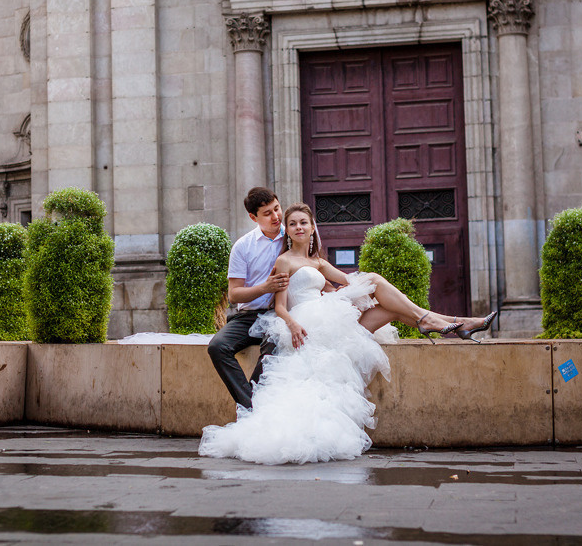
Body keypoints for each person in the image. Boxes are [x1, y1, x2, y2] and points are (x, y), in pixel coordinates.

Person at [198, 202, 497, 465]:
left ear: (313, 227)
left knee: (380, 292)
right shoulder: (284, 261)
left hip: (327, 316)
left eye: (304, 222)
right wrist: (291, 324)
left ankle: (442, 322)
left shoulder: (318, 262)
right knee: (378, 284)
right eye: (293, 224)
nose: (299, 227)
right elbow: (280, 306)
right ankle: (449, 322)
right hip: (306, 322)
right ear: (287, 232)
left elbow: (350, 281)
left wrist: (349, 290)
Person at [206, 187, 288, 410]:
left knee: (275, 344)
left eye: (277, 208)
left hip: (280, 314)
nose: (276, 216)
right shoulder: (243, 246)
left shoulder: (293, 236)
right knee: (217, 347)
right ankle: (251, 406)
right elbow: (234, 294)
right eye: (267, 213)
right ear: (254, 217)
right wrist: (265, 287)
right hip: (248, 316)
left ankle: (255, 408)